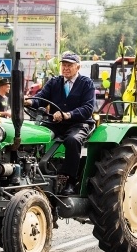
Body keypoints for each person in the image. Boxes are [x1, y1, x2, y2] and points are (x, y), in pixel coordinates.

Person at [25, 52, 96, 195]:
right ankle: (32, 172)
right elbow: (41, 98)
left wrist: (67, 115)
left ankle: (70, 181)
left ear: (78, 67)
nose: (66, 68)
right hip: (56, 123)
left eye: (69, 65)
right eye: (64, 65)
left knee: (72, 140)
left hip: (78, 123)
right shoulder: (54, 82)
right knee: (35, 135)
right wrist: (29, 101)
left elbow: (88, 108)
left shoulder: (86, 83)